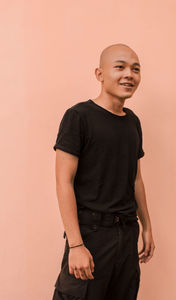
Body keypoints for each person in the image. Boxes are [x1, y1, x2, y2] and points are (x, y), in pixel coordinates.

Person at [52, 43, 155, 300]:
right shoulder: (78, 116)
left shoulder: (132, 122)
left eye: (136, 69)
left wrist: (147, 227)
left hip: (127, 234)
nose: (129, 74)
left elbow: (135, 178)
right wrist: (76, 244)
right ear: (100, 74)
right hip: (91, 235)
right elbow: (64, 182)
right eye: (120, 67)